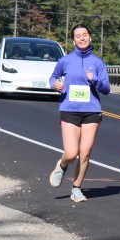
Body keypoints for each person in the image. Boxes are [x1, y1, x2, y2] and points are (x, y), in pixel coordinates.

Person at [48, 24, 110, 203]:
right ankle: (62, 165)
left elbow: (106, 89)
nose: (82, 38)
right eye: (78, 36)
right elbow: (53, 77)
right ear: (73, 40)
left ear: (90, 37)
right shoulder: (66, 61)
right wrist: (54, 84)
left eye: (85, 35)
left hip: (91, 111)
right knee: (71, 153)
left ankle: (76, 189)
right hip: (69, 109)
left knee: (85, 153)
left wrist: (94, 79)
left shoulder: (98, 62)